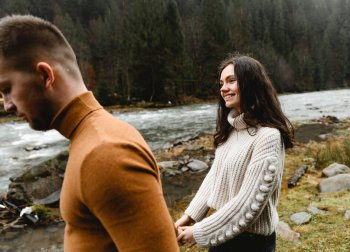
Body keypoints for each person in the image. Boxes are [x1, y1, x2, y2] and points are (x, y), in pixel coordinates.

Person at [0, 15, 179, 251]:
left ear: (45, 75)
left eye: (7, 89)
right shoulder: (90, 137)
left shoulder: (105, 153)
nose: (7, 105)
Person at [176, 54, 294, 251]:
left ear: (250, 84)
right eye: (221, 82)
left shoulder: (268, 137)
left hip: (251, 244)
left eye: (231, 81)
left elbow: (249, 203)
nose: (223, 88)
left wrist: (198, 232)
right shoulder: (230, 131)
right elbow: (214, 178)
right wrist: (188, 217)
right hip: (222, 235)